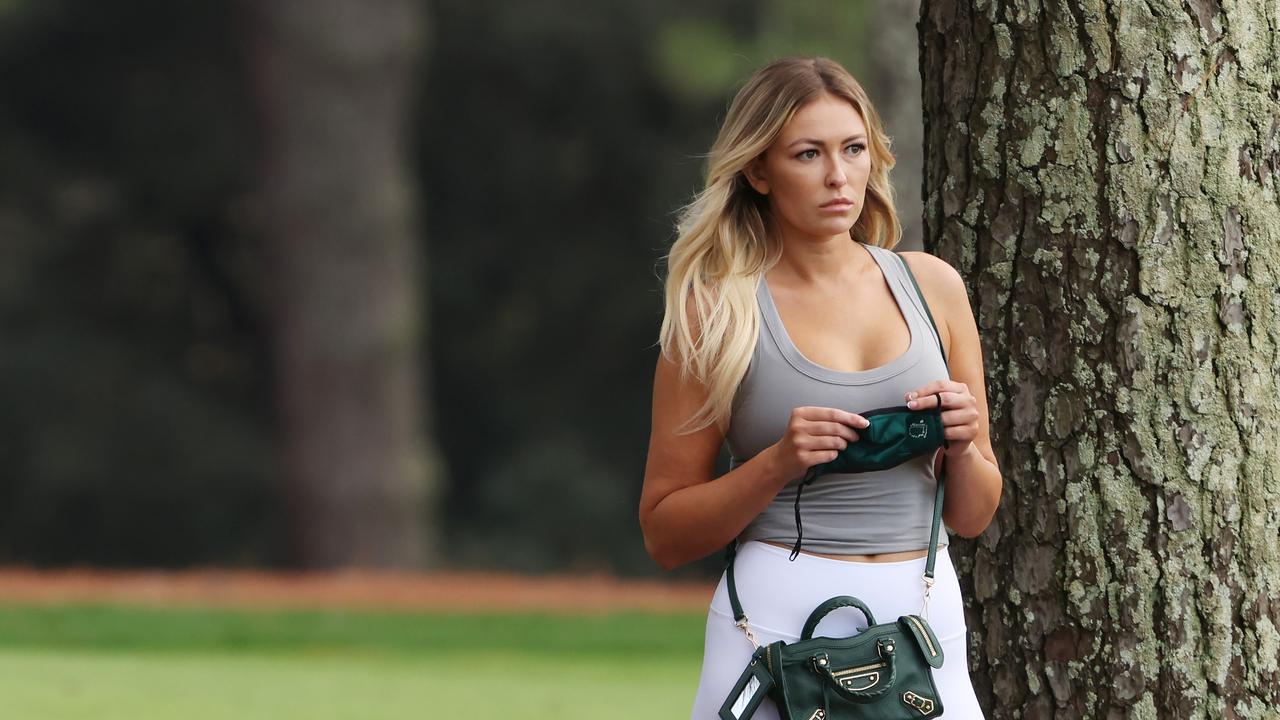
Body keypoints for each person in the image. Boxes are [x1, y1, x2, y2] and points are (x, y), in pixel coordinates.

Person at [640, 56, 1001, 719]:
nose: (839, 176)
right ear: (758, 171)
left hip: (923, 622)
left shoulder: (933, 287)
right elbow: (665, 534)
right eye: (808, 154)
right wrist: (777, 464)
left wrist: (967, 444)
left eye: (854, 149)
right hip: (773, 628)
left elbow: (972, 515)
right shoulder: (716, 312)